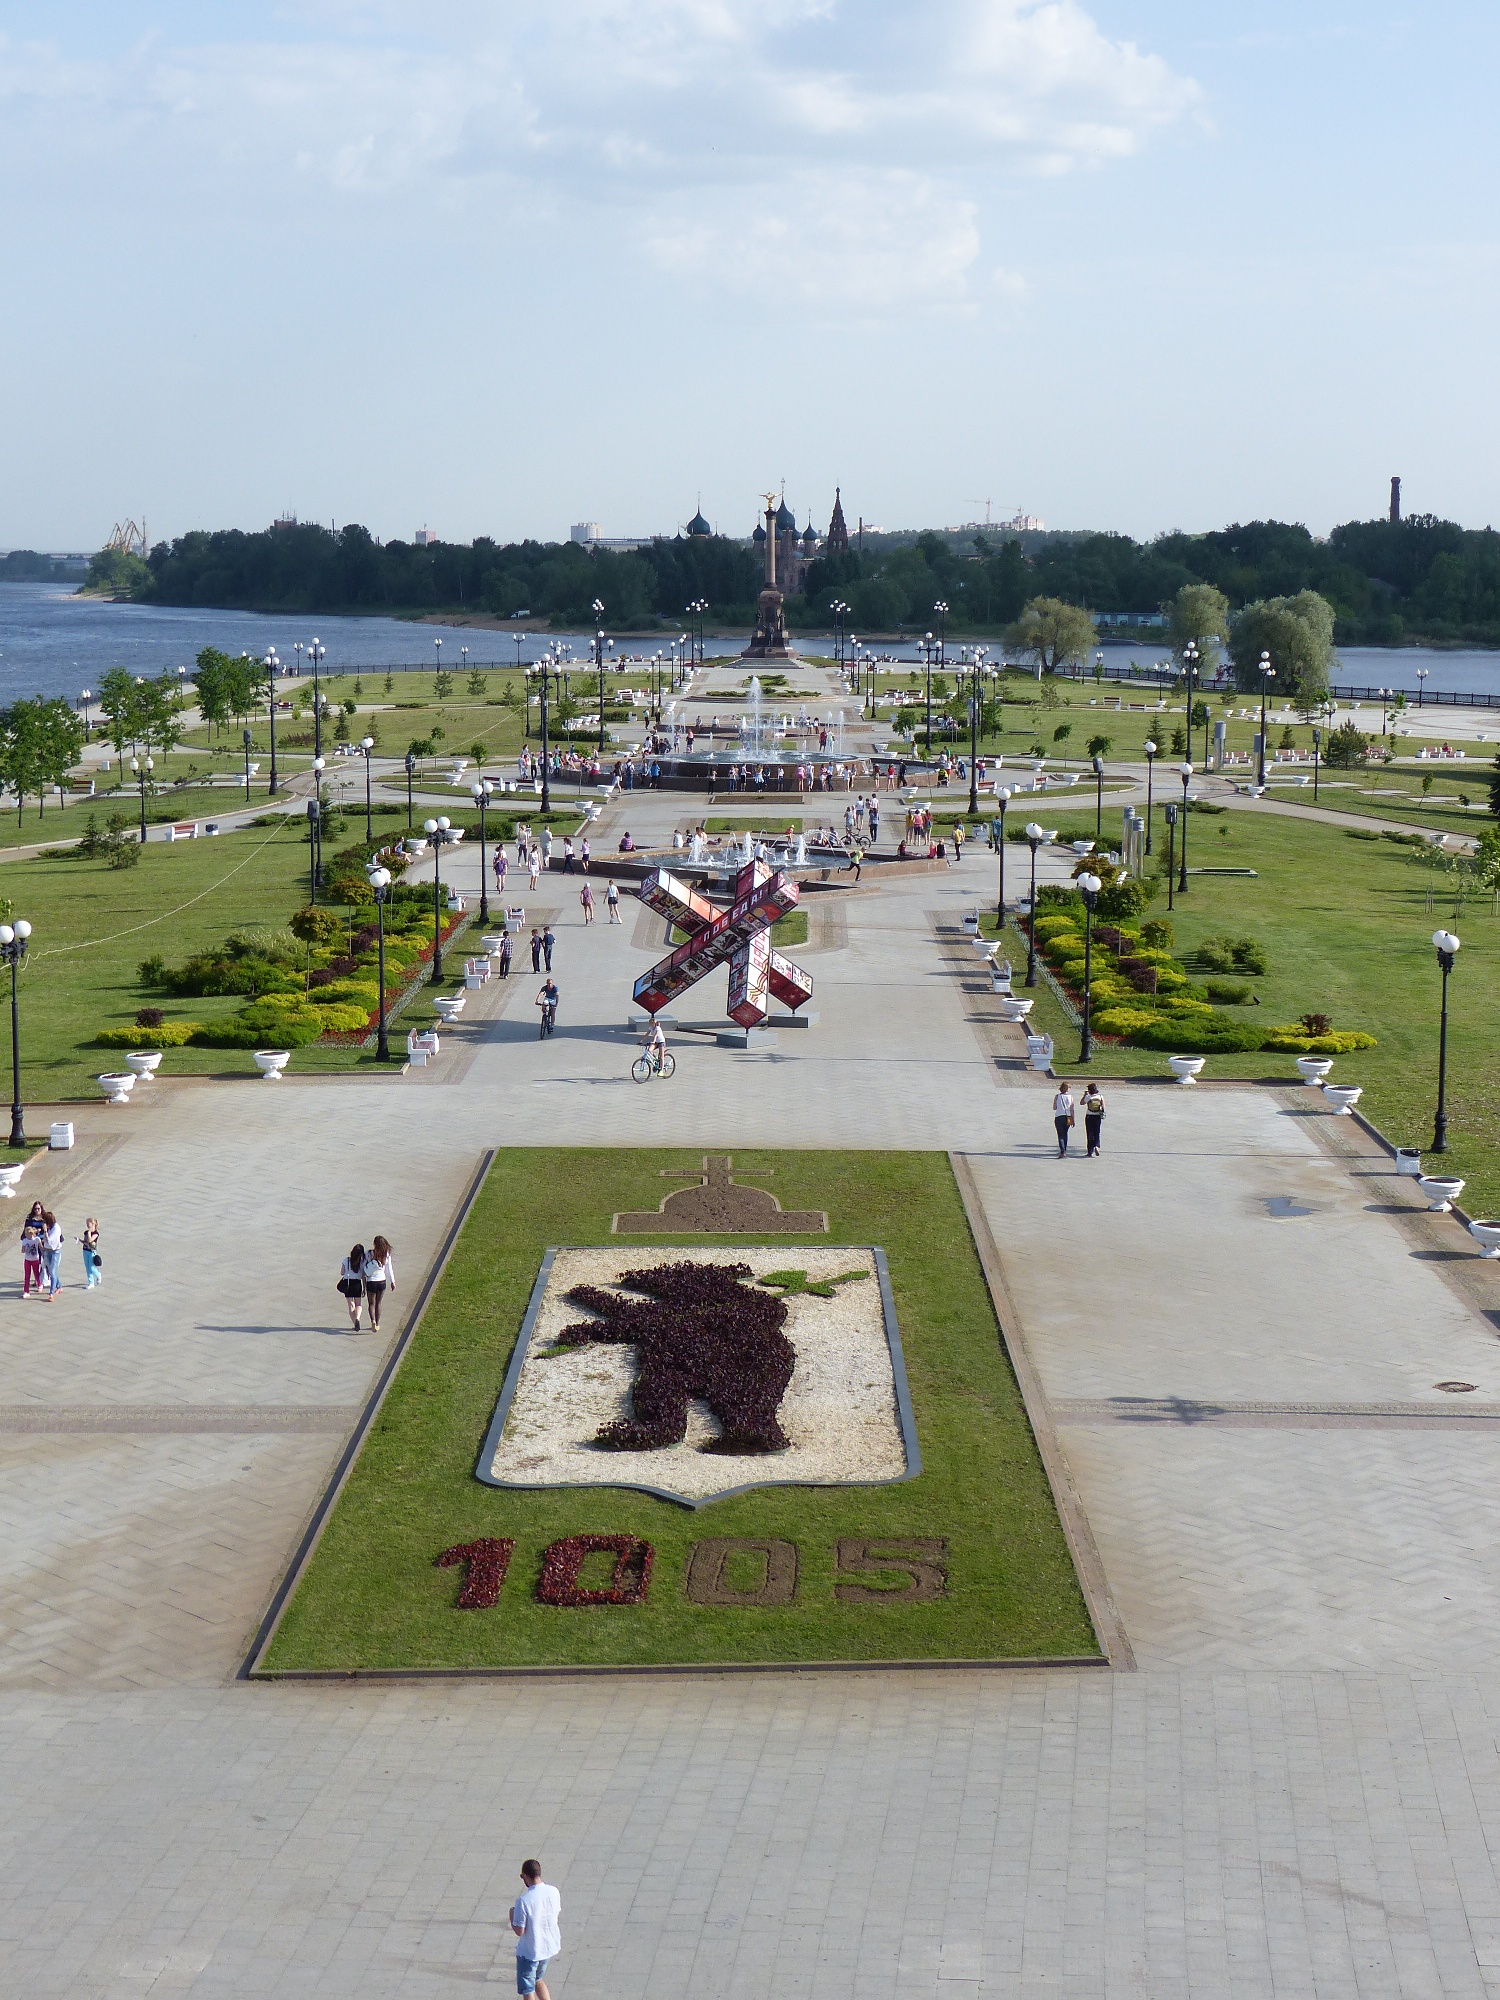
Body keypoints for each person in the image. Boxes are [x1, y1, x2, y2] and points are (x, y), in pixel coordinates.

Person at [511, 1860, 561, 2000]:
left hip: (530, 1951)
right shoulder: (553, 1891)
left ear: (526, 1876)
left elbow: (519, 1931)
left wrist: (511, 1916)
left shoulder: (523, 1901)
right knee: (538, 1979)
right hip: (548, 1947)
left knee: (528, 1989)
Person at [362, 1236, 395, 1331]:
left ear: (374, 1244)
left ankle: (372, 1320)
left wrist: (363, 1285)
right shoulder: (386, 1254)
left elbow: (364, 1268)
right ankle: (377, 1323)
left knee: (371, 1304)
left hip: (371, 1282)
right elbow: (389, 1268)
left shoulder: (368, 1253)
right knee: (378, 1303)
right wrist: (392, 1281)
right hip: (382, 1281)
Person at [338, 1242, 366, 1330]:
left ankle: (355, 1324)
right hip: (357, 1284)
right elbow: (363, 1276)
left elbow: (342, 1272)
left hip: (348, 1283)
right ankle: (357, 1318)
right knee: (358, 1304)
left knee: (351, 1305)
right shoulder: (362, 1263)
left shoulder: (346, 1260)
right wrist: (364, 1288)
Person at [21, 1200, 45, 1298]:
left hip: (40, 1241)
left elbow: (46, 1230)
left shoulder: (44, 1218)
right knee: (27, 1274)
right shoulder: (30, 1218)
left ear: (41, 1209)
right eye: (35, 1209)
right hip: (29, 1250)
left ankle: (39, 1282)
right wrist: (25, 1241)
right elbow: (26, 1228)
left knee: (38, 1264)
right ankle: (27, 1290)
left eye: (38, 1208)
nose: (37, 1210)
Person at [41, 1210, 63, 1301]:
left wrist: (45, 1231)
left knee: (53, 1272)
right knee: (51, 1271)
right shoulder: (49, 1227)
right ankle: (59, 1286)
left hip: (55, 1252)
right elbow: (45, 1240)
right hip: (47, 1251)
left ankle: (51, 1293)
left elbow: (49, 1241)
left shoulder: (56, 1228)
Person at [1082, 1082, 1107, 1157]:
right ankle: (1096, 1146)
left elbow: (1081, 1103)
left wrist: (1084, 1095)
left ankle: (1090, 1151)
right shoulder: (1100, 1096)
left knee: (1090, 1133)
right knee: (1097, 1132)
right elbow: (1104, 1106)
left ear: (1089, 1090)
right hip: (1097, 1116)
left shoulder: (1088, 1097)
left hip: (1089, 1116)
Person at [1053, 1084, 1076, 1158]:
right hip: (1068, 1117)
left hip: (1059, 1116)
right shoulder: (1071, 1097)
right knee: (1065, 1134)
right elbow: (1072, 1109)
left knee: (1060, 1134)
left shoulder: (1057, 1096)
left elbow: (1054, 1107)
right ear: (1067, 1089)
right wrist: (1073, 1119)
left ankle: (1062, 1151)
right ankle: (1064, 1150)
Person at [78, 1218, 101, 1289]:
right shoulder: (86, 1232)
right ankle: (91, 1283)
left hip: (92, 1251)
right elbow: (85, 1241)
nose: (87, 1225)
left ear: (93, 1224)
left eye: (88, 1223)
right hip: (85, 1250)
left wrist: (89, 1232)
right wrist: (79, 1240)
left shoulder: (96, 1233)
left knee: (91, 1267)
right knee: (87, 1267)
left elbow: (90, 1240)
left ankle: (98, 1275)